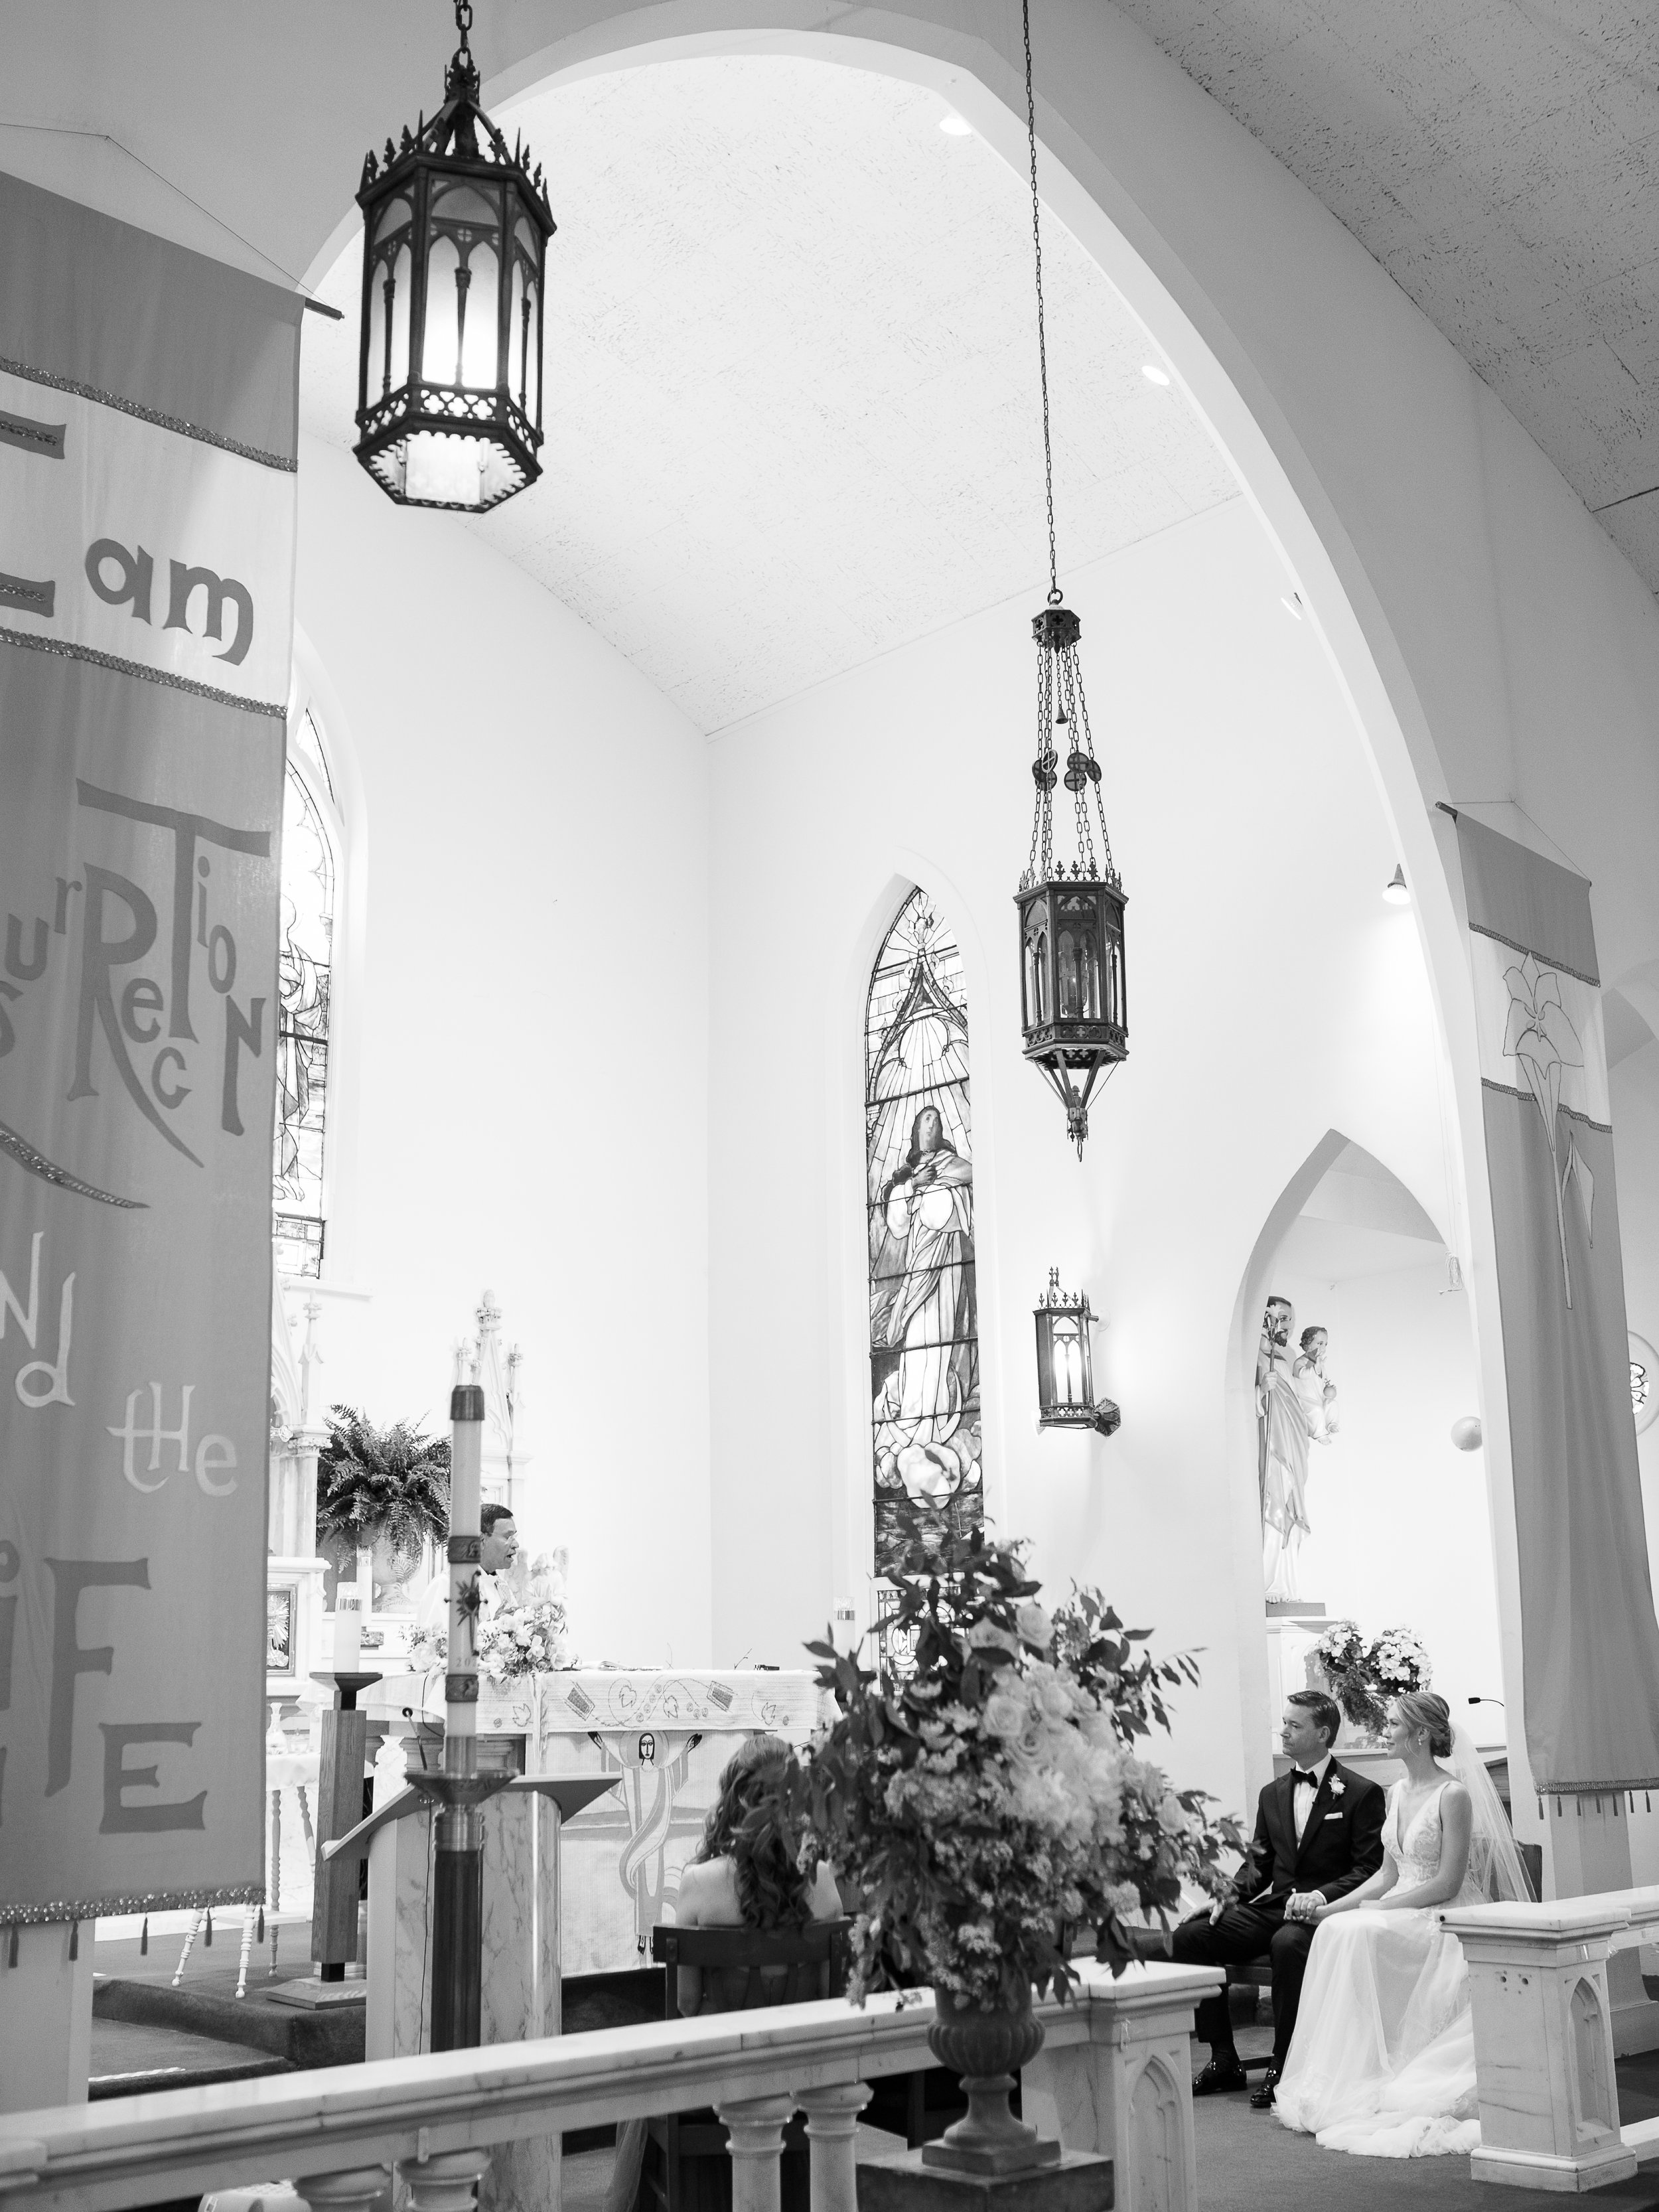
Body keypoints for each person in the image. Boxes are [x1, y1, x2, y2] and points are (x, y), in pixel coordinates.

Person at [1273, 1690, 1532, 2156]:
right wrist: (1333, 1908)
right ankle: (1354, 2068)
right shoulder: (1395, 1792)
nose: (1384, 1731)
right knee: (1337, 1929)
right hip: (1402, 1903)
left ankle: (1387, 2064)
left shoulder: (1452, 1794)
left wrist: (1381, 1910)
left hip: (1443, 1914)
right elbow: (1386, 1873)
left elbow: (1449, 1882)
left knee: (1363, 1930)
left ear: (1421, 1734)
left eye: (1392, 1724)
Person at [606, 1736, 841, 2212]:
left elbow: (687, 2003)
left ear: (732, 1800)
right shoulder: (823, 1878)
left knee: (638, 2090)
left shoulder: (700, 1883)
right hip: (800, 2073)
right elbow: (824, 1991)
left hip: (720, 2078)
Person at [1171, 1690, 1386, 2107]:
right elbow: (1260, 1862)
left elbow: (1367, 1868)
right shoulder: (1273, 1793)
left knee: (1287, 1944)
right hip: (1275, 1906)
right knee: (1192, 1934)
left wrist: (1320, 1896)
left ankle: (1285, 2064)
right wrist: (1225, 1896)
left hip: (1327, 1912)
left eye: (1294, 1725)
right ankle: (1222, 2058)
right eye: (1283, 1723)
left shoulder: (1362, 1792)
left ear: (1323, 1734)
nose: (1283, 1731)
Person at [414, 1501, 521, 1633]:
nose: (516, 1544)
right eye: (508, 1537)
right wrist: (494, 1627)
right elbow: (435, 1646)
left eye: (515, 1537)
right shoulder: (448, 1585)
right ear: (481, 1540)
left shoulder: (503, 1589)